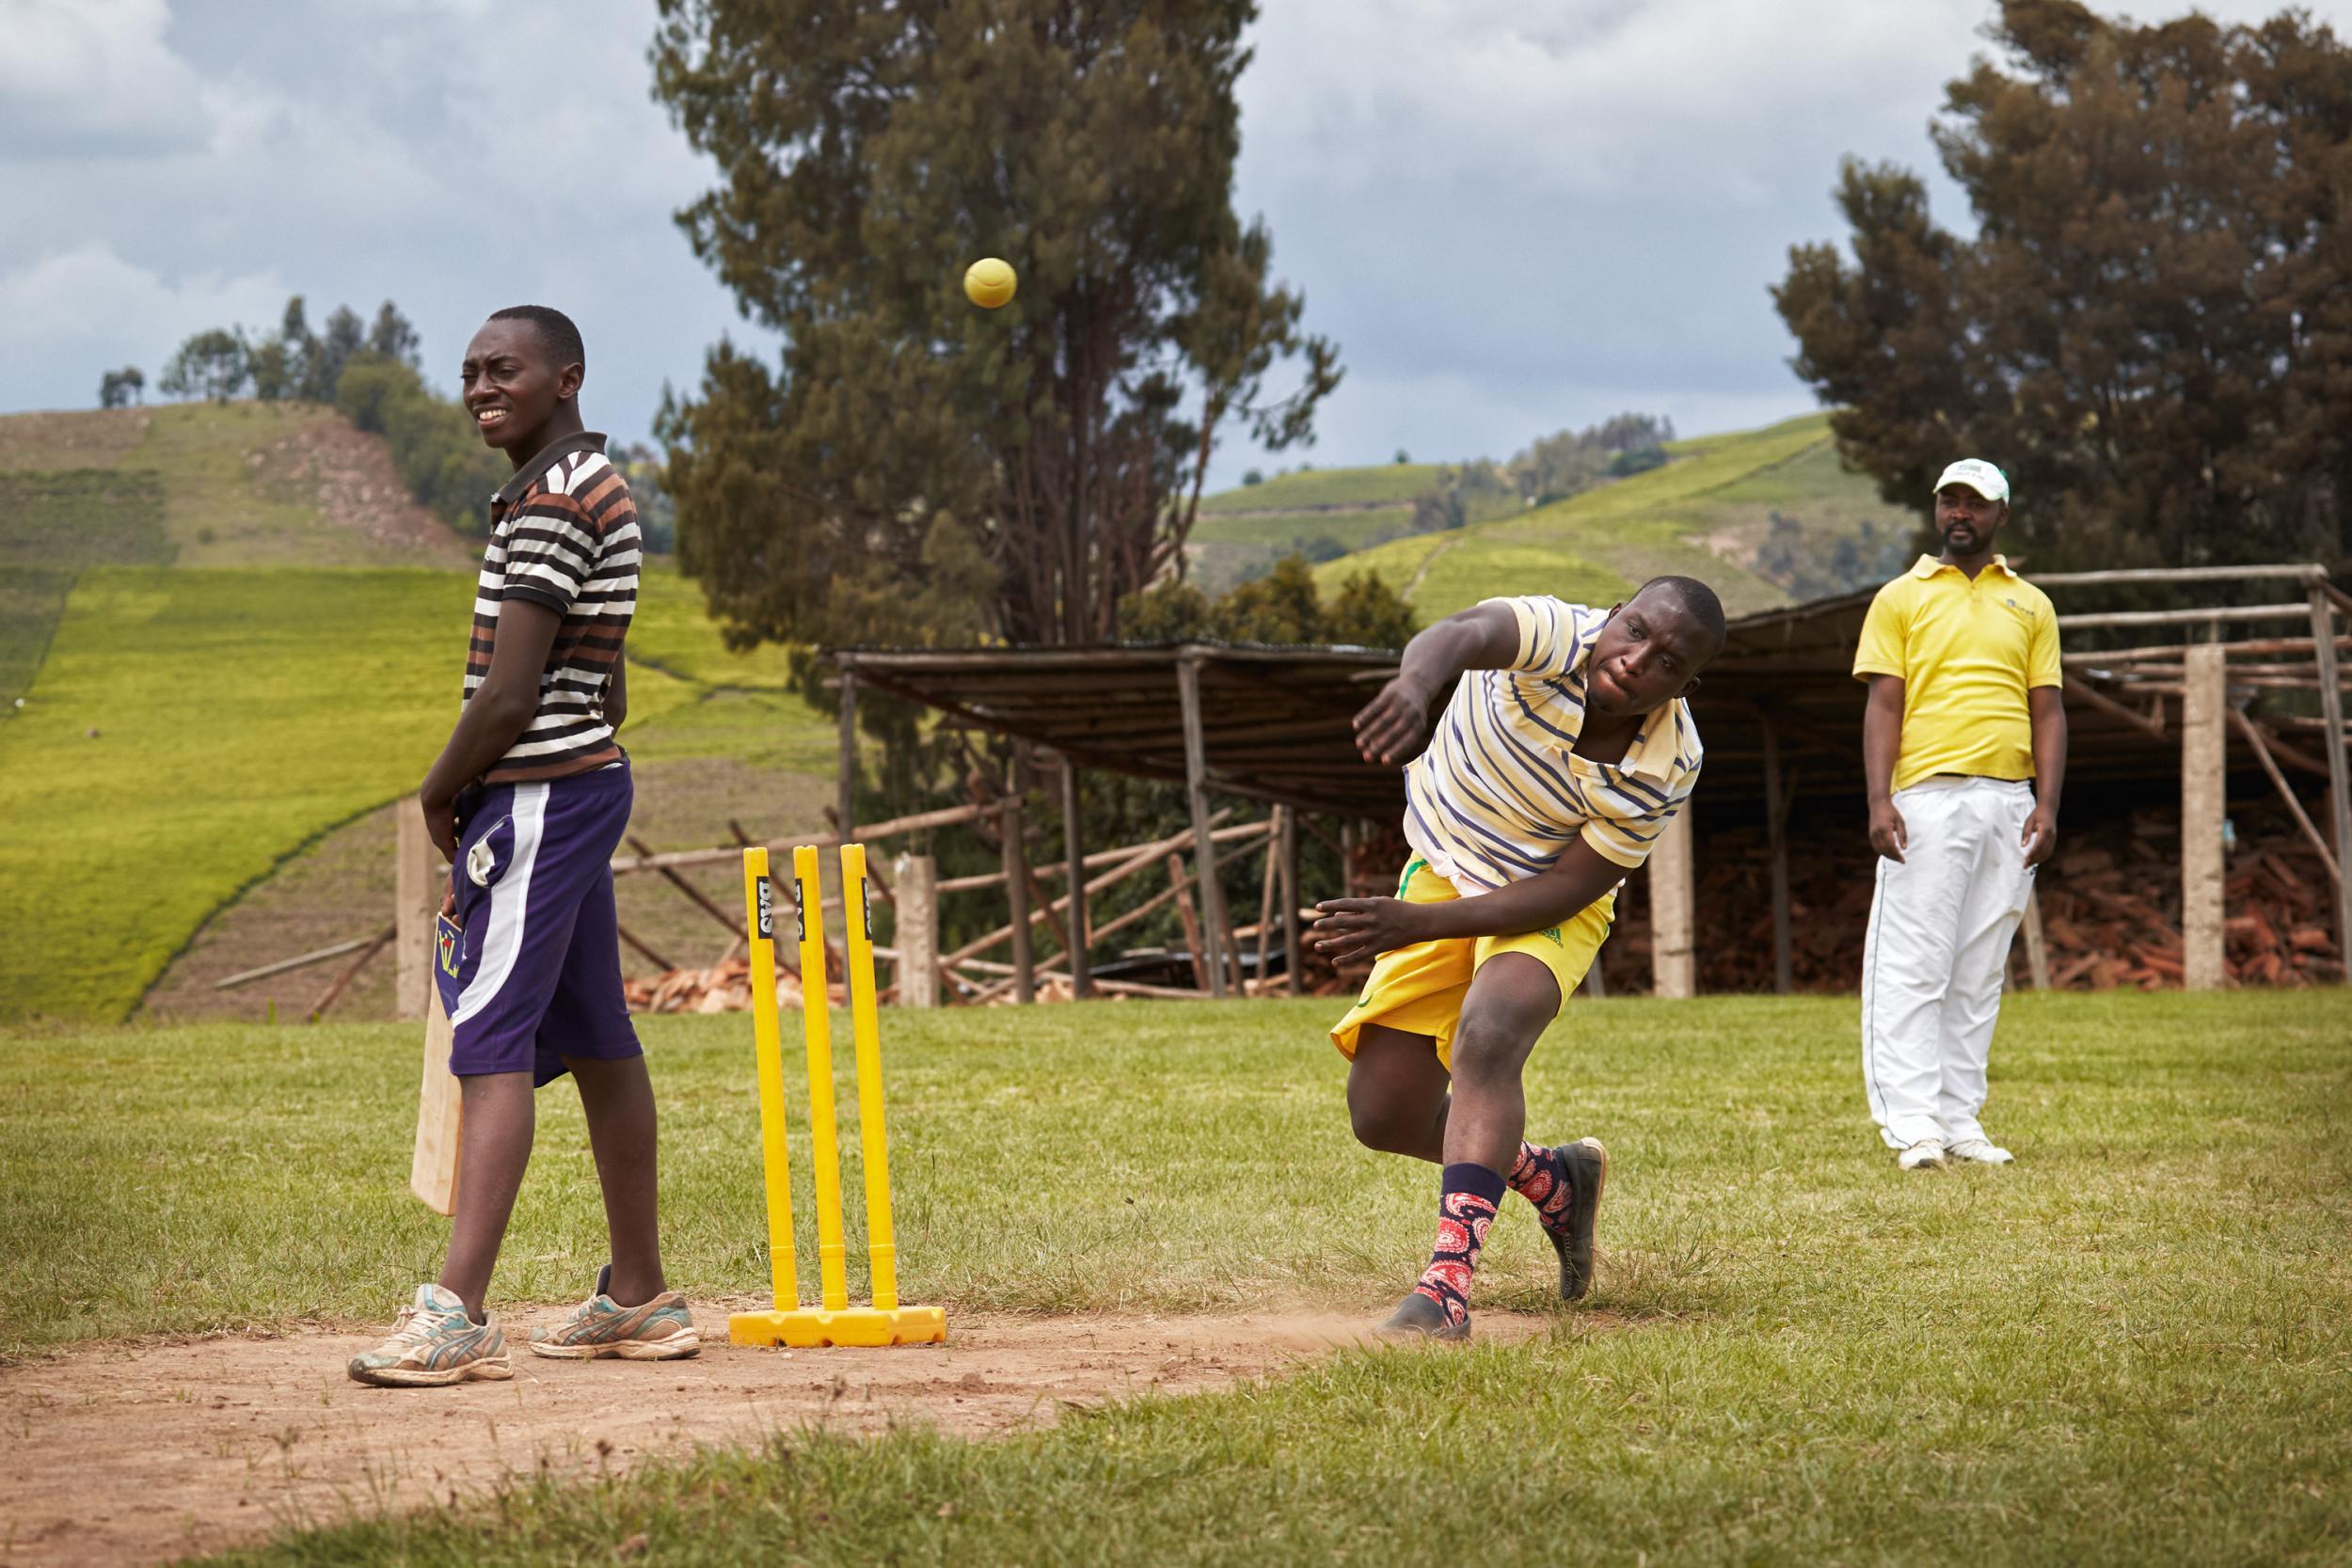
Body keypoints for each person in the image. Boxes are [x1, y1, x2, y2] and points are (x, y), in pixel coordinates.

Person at [348, 306, 696, 1386]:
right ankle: (638, 1296)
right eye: (469, 372)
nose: (480, 387)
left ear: (567, 378)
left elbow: (510, 692)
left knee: (488, 1037)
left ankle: (457, 1310)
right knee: (596, 1035)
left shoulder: (552, 500)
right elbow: (608, 677)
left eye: (505, 369)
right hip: (577, 782)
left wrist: (441, 789)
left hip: (540, 794)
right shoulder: (589, 486)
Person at [1314, 578, 1724, 1339]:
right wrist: (1413, 683)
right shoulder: (1554, 633)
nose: (1637, 660)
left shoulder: (1667, 761)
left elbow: (1563, 889)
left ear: (1685, 685)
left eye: (1666, 661)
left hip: (1546, 902)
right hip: (1445, 859)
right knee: (1381, 1113)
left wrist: (1416, 923)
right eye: (1633, 631)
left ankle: (1444, 1290)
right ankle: (1552, 1177)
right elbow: (1465, 632)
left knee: (1492, 1029)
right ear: (1612, 616)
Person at [1852, 458, 2065, 1172]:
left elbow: (2048, 709)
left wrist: (2047, 803)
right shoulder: (1900, 596)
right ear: (1937, 510)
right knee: (1914, 967)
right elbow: (1884, 702)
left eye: (1976, 501)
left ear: (2002, 513)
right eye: (1951, 500)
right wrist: (1881, 798)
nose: (1961, 512)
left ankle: (1959, 1117)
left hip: (2009, 803)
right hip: (1925, 799)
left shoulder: (2031, 604)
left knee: (1979, 970)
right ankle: (1912, 1126)